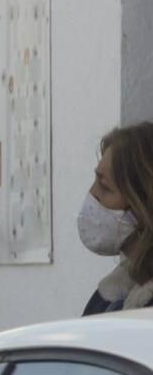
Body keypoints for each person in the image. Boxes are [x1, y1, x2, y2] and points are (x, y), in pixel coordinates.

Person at [76, 121, 153, 315]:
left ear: (141, 206)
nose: (92, 195)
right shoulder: (112, 294)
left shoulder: (144, 310)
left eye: (105, 187)